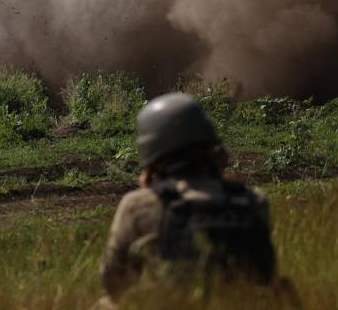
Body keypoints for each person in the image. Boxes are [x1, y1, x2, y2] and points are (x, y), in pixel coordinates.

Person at [97, 92, 278, 307]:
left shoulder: (138, 205)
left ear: (151, 152)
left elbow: (113, 282)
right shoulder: (253, 201)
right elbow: (267, 274)